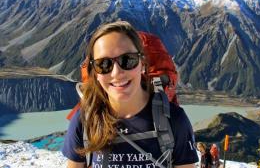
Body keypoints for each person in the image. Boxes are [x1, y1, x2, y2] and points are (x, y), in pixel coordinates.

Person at [62, 21, 198, 168]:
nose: (117, 73)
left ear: (142, 63)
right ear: (95, 73)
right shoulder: (84, 121)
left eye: (127, 60)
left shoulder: (175, 120)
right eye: (104, 64)